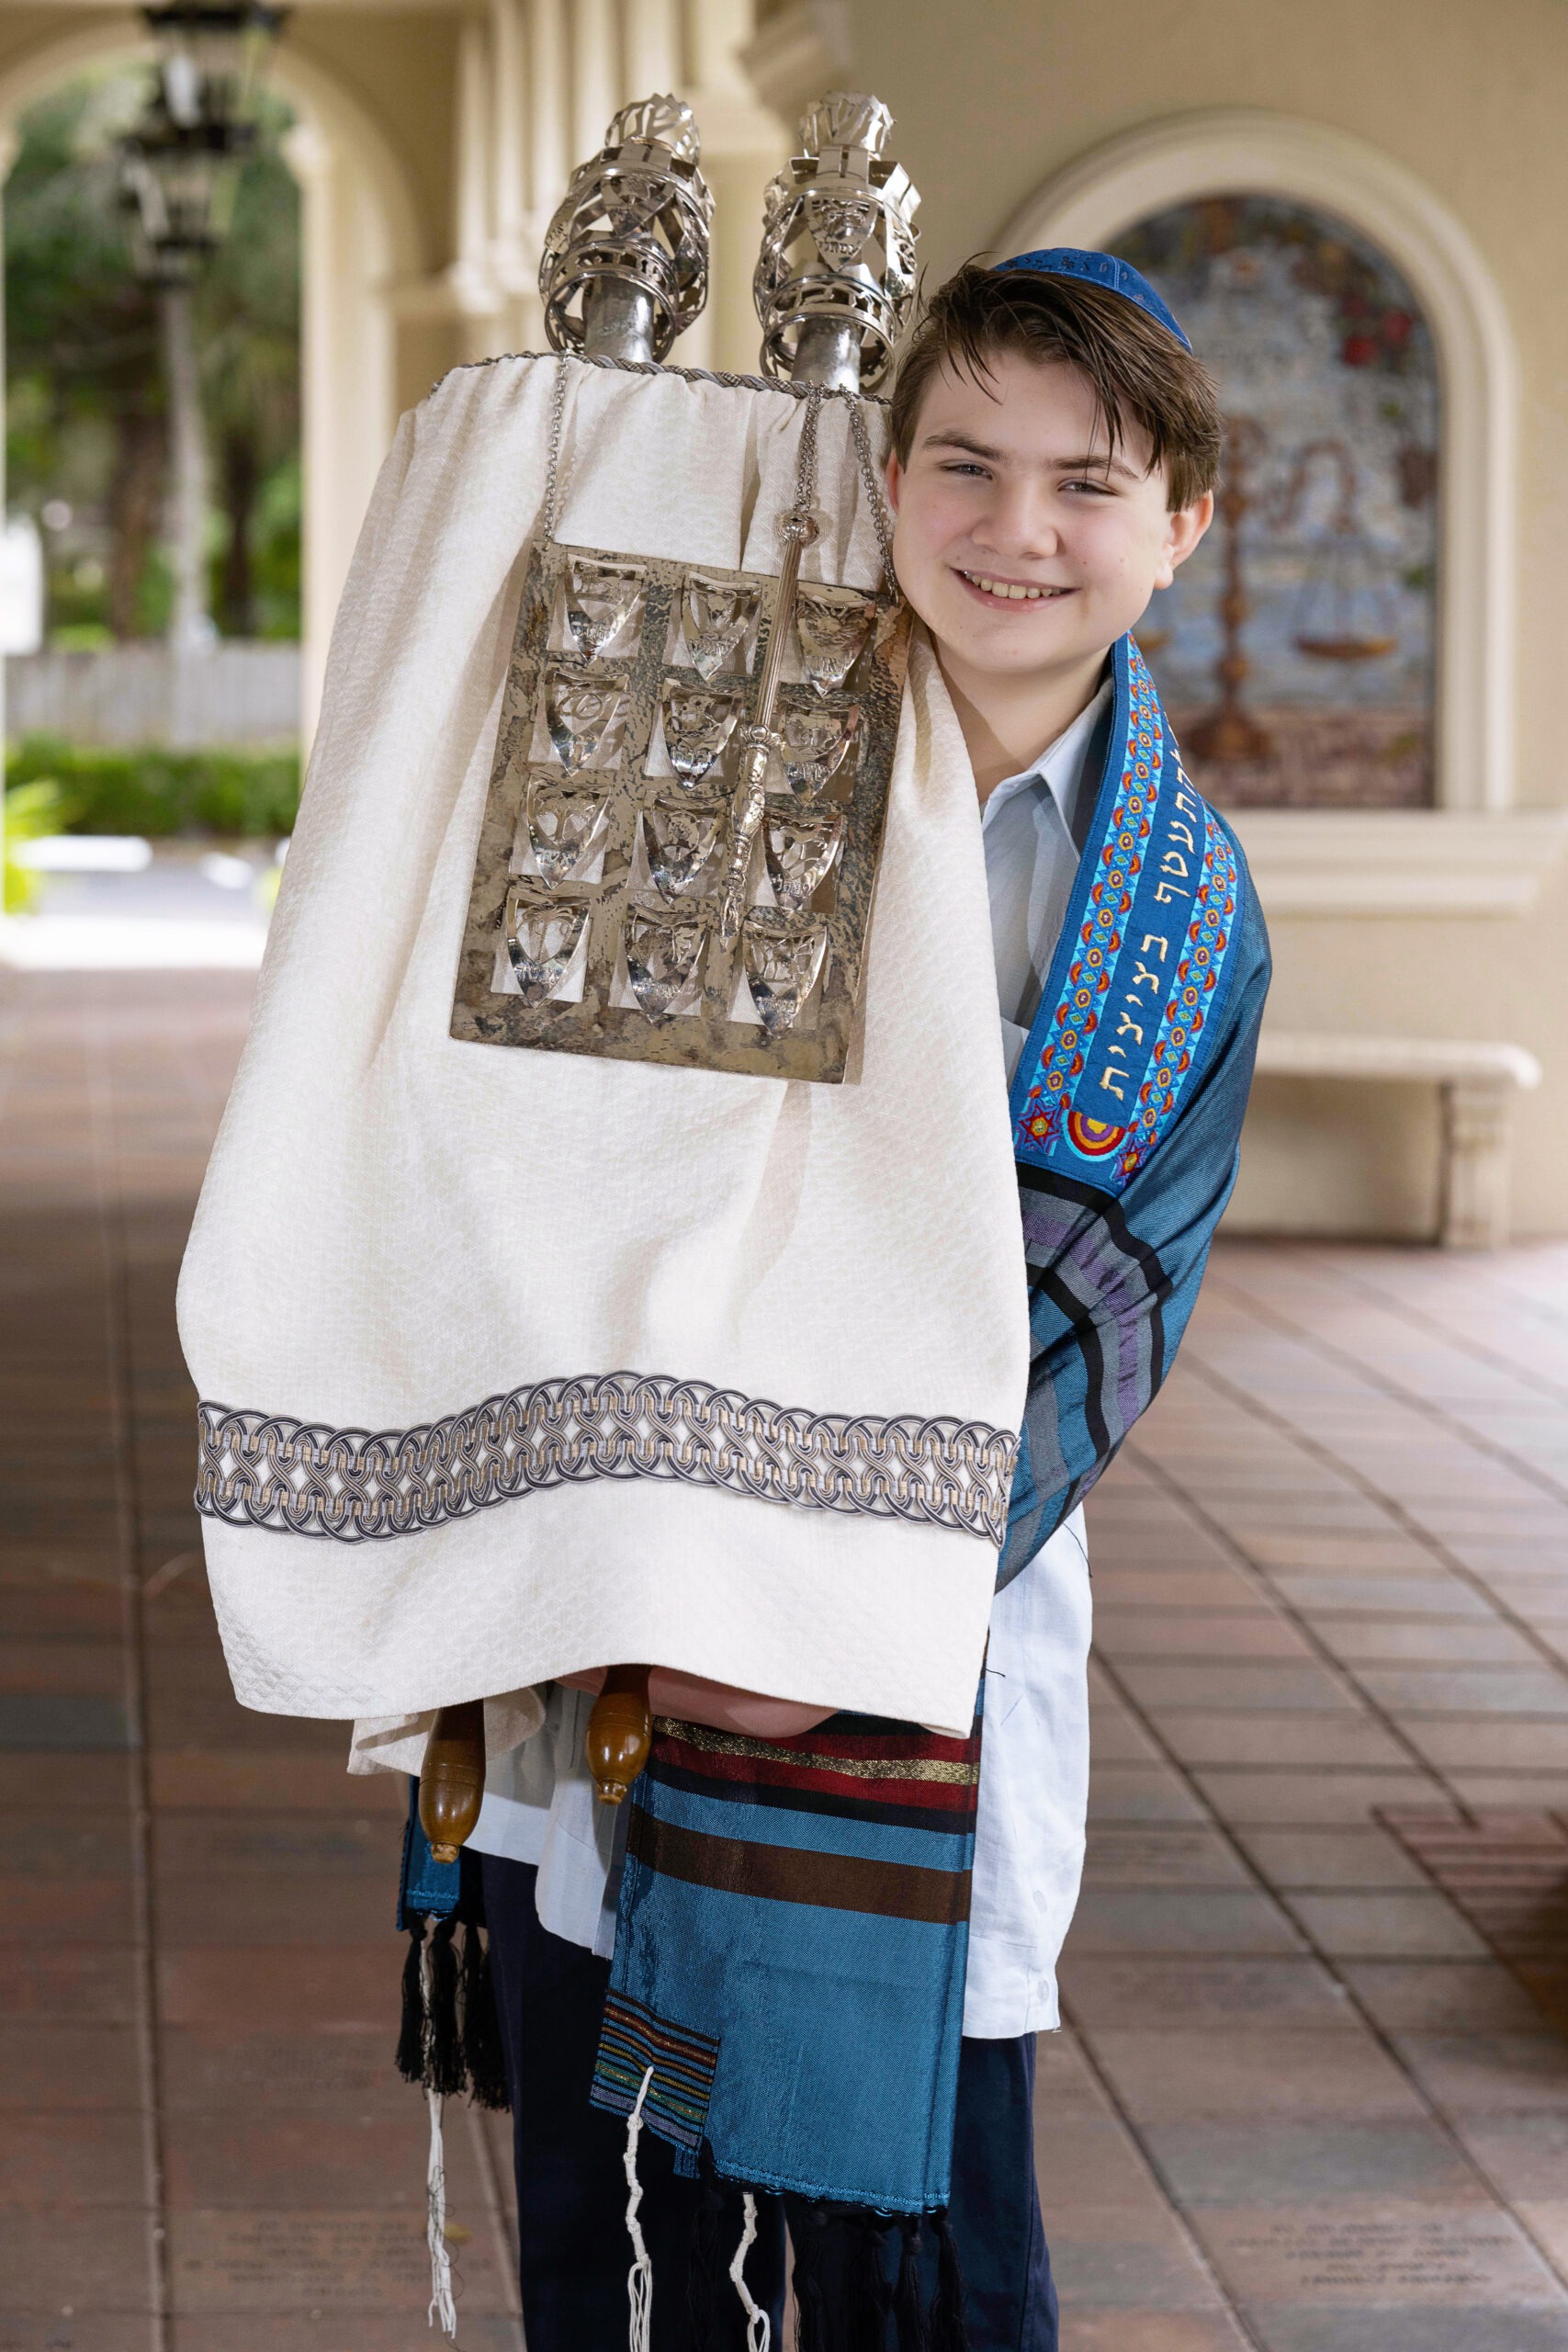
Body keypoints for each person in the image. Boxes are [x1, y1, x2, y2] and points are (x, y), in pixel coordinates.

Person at [463, 249, 1270, 2348]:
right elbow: (561, 1151)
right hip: (629, 1582)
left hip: (940, 1641)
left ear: (1180, 519)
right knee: (617, 2166)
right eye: (965, 463)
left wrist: (824, 1614)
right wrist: (663, 1566)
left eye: (1087, 482)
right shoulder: (720, 760)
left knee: (925, 2209)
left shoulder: (1182, 914)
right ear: (879, 478)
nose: (1018, 529)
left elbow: (1113, 1306)